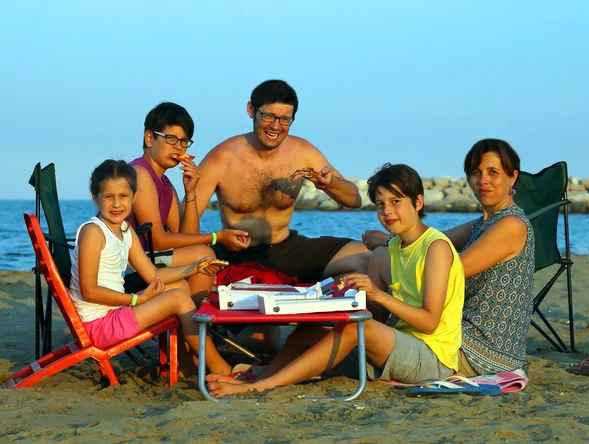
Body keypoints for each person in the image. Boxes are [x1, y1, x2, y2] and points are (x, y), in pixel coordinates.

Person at [204, 163, 465, 397]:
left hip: (432, 357)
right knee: (309, 331)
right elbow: (377, 314)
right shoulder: (396, 246)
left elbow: (430, 323)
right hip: (399, 344)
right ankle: (262, 376)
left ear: (418, 203)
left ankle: (258, 387)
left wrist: (376, 293)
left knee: (355, 329)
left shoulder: (436, 248)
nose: (387, 211)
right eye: (380, 204)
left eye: (396, 201)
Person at [363, 139, 535, 376]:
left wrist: (387, 244)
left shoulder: (511, 225)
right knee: (373, 257)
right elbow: (428, 240)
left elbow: (449, 268)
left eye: (493, 172)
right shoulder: (483, 223)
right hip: (457, 331)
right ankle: (367, 333)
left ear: (513, 177)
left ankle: (370, 337)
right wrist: (391, 241)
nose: (483, 180)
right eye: (476, 172)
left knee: (381, 260)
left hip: (483, 349)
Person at [193, 80, 370, 284]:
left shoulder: (302, 151)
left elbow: (354, 200)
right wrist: (215, 239)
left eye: (285, 119)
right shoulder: (221, 158)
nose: (276, 126)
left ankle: (343, 305)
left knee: (369, 254)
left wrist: (330, 185)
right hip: (235, 255)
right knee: (196, 265)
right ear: (251, 110)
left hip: (288, 250)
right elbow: (186, 224)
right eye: (269, 116)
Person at [70, 159, 233, 376]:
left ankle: (184, 362)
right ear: (95, 197)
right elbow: (89, 291)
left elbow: (153, 274)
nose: (117, 204)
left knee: (180, 286)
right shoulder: (93, 232)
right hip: (97, 326)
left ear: (135, 197)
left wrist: (195, 268)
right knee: (178, 299)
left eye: (124, 196)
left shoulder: (125, 230)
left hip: (113, 314)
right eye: (109, 197)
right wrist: (137, 300)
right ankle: (220, 368)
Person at [128, 102, 250, 303]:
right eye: (171, 139)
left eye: (184, 141)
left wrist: (191, 191)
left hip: (146, 258)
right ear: (150, 138)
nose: (178, 147)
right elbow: (157, 241)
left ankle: (193, 324)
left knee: (201, 255)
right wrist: (216, 237)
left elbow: (187, 237)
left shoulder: (165, 183)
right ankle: (195, 324)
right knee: (204, 255)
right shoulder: (140, 173)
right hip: (127, 264)